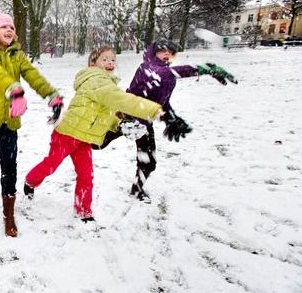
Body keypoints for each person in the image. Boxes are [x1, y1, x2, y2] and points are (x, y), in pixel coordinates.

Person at [24, 46, 162, 221]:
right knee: (51, 164)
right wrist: (152, 110)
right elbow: (123, 100)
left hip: (84, 139)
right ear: (93, 63)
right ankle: (30, 181)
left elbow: (106, 114)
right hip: (66, 133)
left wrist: (119, 124)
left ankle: (83, 210)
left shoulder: (107, 85)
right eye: (104, 59)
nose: (110, 63)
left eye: (112, 59)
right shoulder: (96, 80)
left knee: (86, 175)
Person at [94, 39, 237, 201]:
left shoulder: (169, 77)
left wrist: (171, 118)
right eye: (162, 51)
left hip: (143, 123)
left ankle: (136, 189)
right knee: (96, 143)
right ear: (154, 53)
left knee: (148, 163)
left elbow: (162, 101)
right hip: (125, 116)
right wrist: (205, 69)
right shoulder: (147, 68)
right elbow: (163, 74)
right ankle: (70, 141)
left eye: (170, 51)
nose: (167, 54)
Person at [0, 13, 63, 237]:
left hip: (10, 119)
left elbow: (32, 75)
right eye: (3, 27)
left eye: (11, 26)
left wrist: (51, 95)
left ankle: (8, 215)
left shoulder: (17, 54)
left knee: (10, 167)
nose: (9, 30)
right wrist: (14, 89)